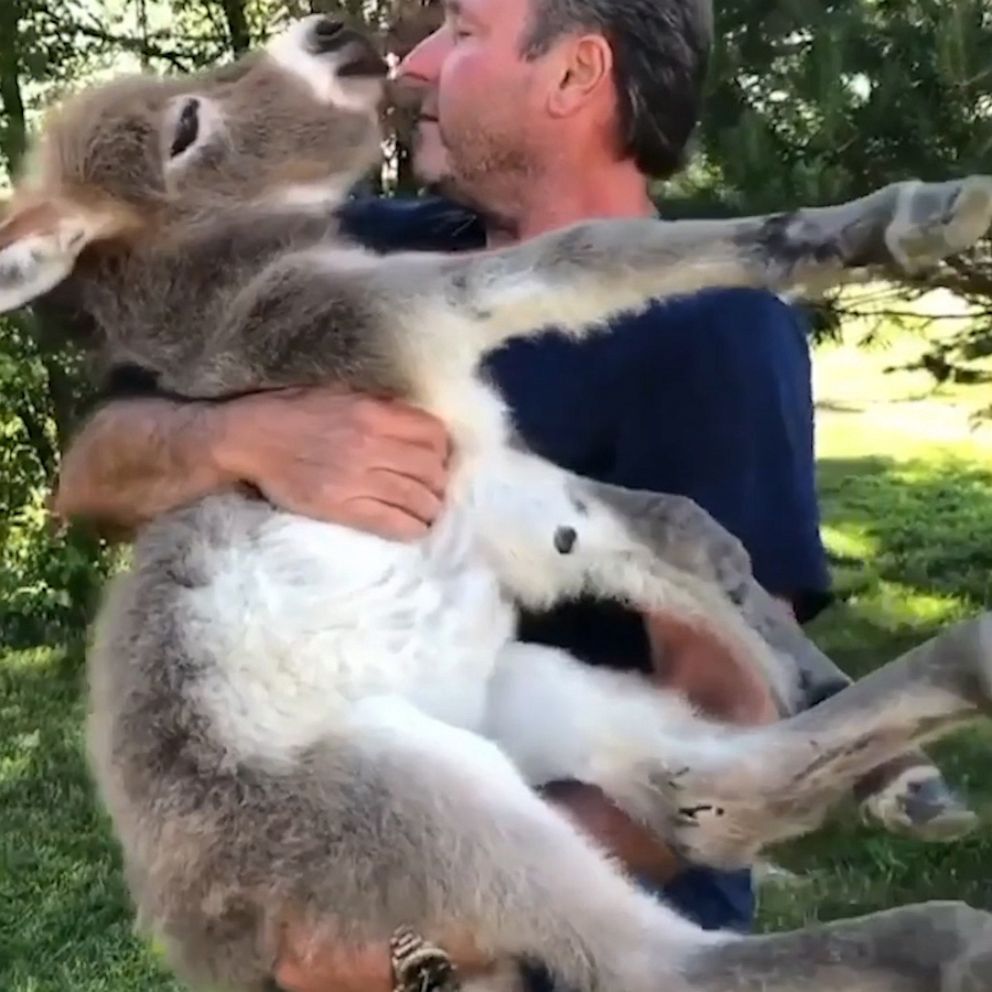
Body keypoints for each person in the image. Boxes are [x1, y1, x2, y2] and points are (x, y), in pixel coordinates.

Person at [52, 1, 831, 989]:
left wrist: (425, 912)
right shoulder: (359, 249)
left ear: (571, 74)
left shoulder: (709, 329)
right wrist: (238, 435)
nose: (414, 59)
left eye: (461, 31)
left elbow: (731, 716)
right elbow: (91, 476)